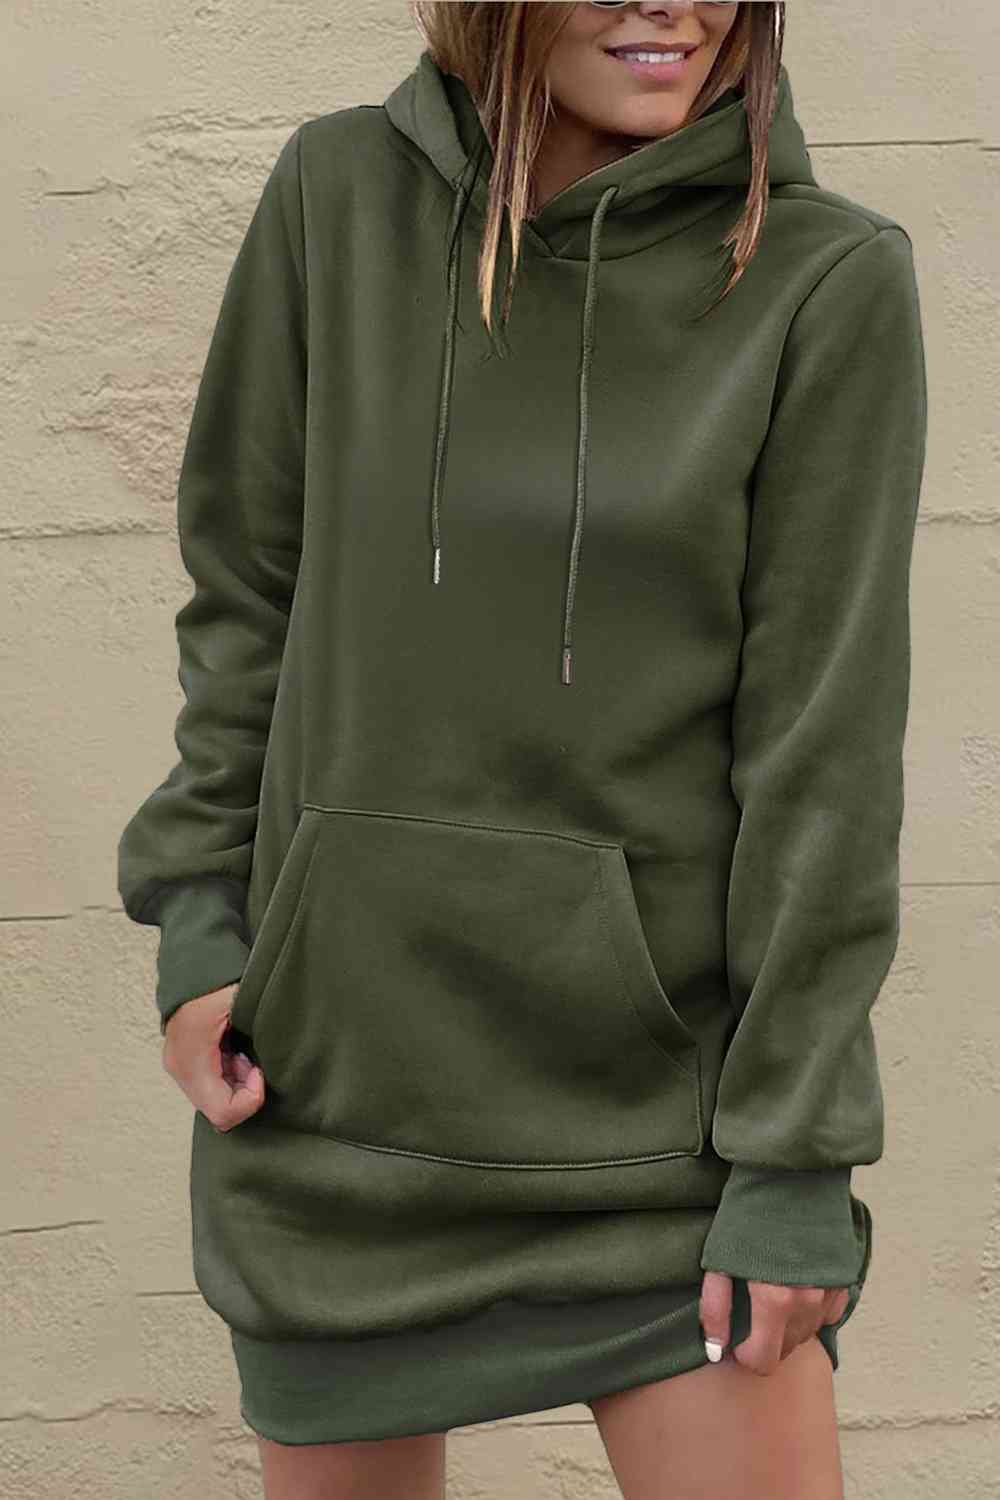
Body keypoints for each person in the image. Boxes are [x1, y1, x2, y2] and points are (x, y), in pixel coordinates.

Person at [116, 2, 927, 1496]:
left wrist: (798, 1157)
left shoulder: (824, 281)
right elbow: (246, 600)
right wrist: (200, 932)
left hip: (661, 1158)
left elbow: (823, 759)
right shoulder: (335, 202)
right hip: (331, 1115)